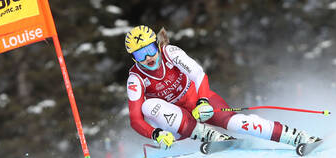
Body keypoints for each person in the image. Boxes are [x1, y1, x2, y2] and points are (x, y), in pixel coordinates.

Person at [124, 25, 320, 149]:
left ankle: (294, 136)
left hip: (197, 102)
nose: (148, 58)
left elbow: (198, 74)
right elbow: (135, 119)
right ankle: (206, 135)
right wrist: (155, 134)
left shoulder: (170, 53)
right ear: (134, 58)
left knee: (236, 123)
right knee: (147, 107)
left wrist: (202, 100)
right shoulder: (135, 78)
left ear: (156, 46)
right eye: (141, 55)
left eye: (150, 50)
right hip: (175, 121)